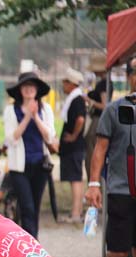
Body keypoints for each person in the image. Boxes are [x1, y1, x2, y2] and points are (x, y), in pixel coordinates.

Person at [85, 56, 136, 257]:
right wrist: (94, 184)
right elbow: (100, 149)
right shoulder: (114, 110)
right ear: (128, 76)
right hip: (120, 189)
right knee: (118, 253)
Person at [3, 72, 56, 238]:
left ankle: (33, 242)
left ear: (37, 89)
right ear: (19, 89)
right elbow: (11, 138)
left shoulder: (45, 109)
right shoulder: (11, 110)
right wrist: (27, 117)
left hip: (40, 165)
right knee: (27, 207)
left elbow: (50, 136)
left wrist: (36, 117)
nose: (29, 89)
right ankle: (28, 244)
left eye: (32, 86)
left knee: (36, 207)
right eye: (25, 86)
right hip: (19, 167)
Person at [59, 68, 87, 223]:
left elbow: (80, 120)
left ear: (71, 84)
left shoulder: (77, 100)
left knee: (75, 179)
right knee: (75, 178)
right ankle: (76, 211)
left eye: (65, 82)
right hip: (72, 147)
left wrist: (73, 136)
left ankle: (76, 213)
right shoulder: (75, 98)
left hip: (74, 146)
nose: (63, 85)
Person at [84, 53, 113, 182]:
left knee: (93, 153)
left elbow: (104, 105)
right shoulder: (106, 82)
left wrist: (90, 101)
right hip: (99, 120)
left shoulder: (103, 84)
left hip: (98, 120)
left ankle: (95, 183)